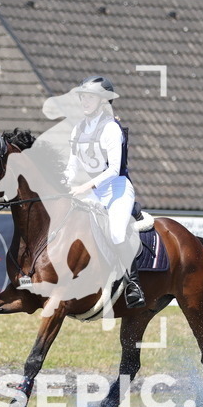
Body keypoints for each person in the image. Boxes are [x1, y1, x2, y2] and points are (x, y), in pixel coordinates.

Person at [62, 75, 145, 309]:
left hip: (117, 187)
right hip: (91, 190)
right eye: (83, 97)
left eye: (90, 97)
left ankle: (133, 284)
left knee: (117, 233)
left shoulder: (111, 128)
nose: (85, 101)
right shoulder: (77, 130)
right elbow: (72, 167)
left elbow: (114, 170)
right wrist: (64, 184)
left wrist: (85, 187)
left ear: (103, 101)